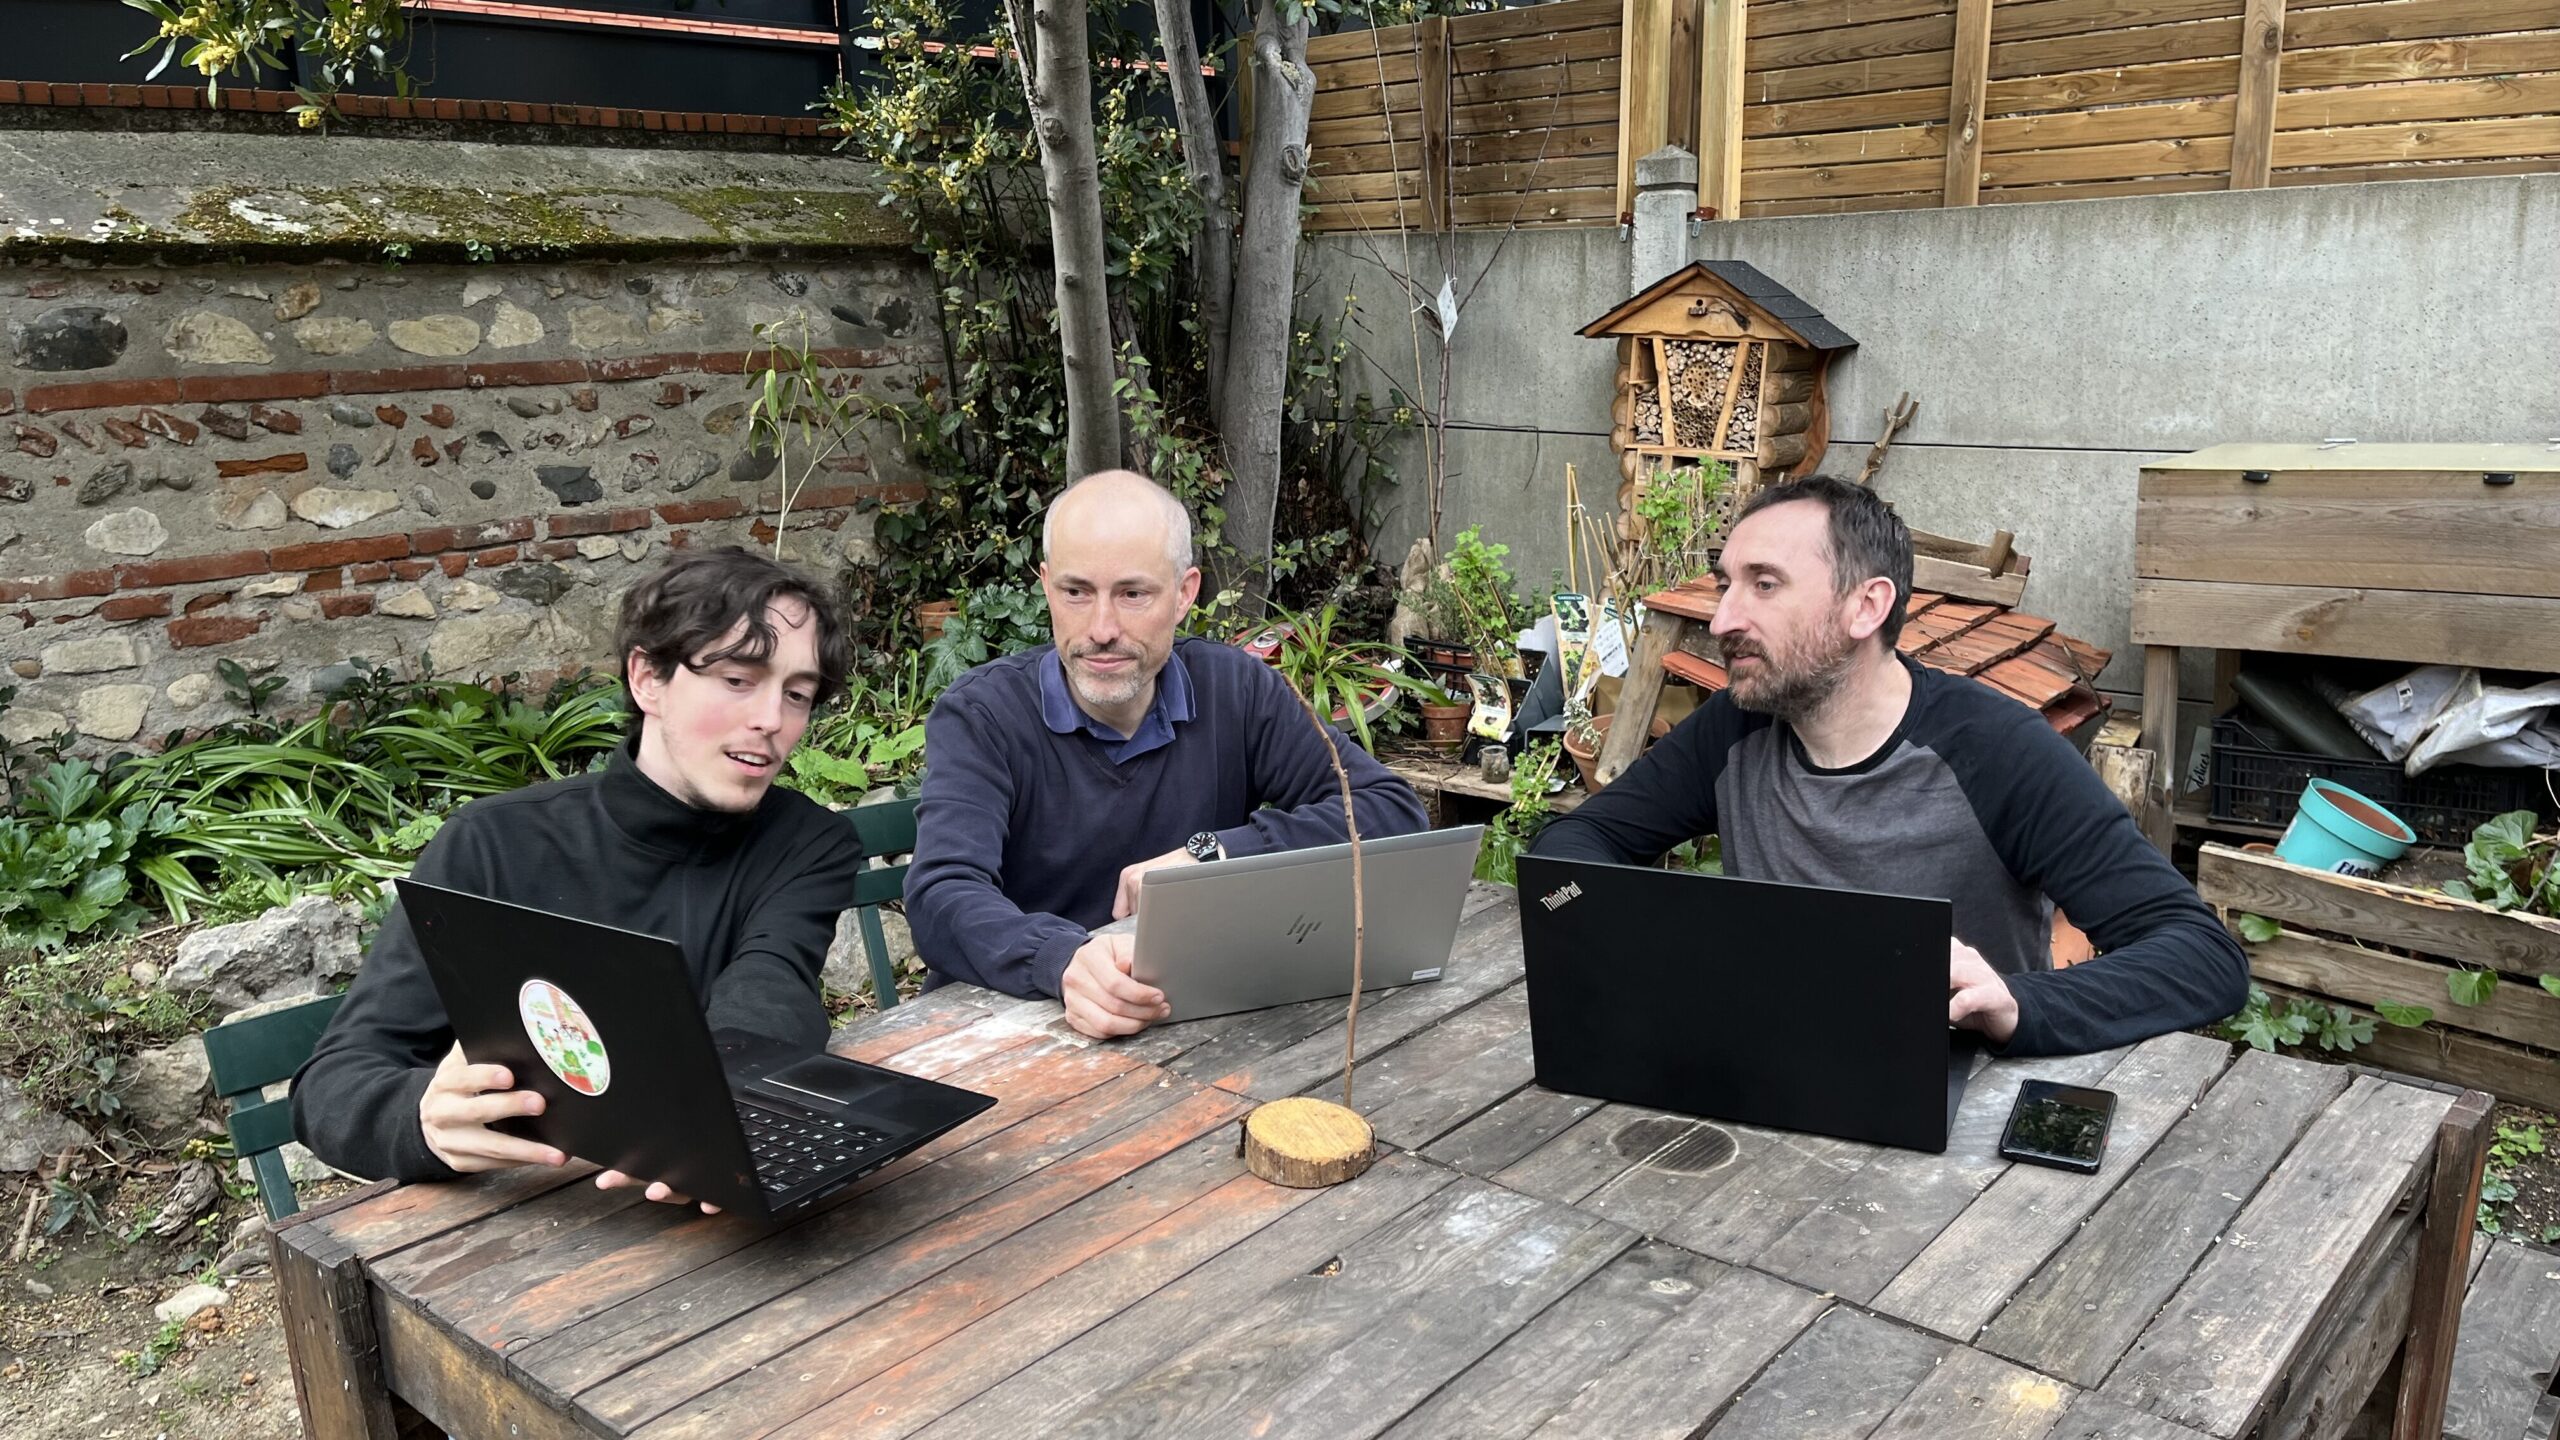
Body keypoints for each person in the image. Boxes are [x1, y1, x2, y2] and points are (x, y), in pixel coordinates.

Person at [1530, 474, 2247, 1056]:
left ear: (1866, 606)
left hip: (1951, 1090)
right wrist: (1658, 941)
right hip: (1769, 1060)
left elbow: (2199, 958)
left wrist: (2018, 1002)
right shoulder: (1735, 729)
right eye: (1727, 585)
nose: (1722, 619)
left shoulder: (1995, 749)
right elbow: (1575, 845)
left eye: (1765, 585)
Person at [292, 546, 865, 1211]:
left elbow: (770, 988)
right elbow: (332, 1086)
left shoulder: (806, 842)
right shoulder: (493, 844)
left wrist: (713, 1116)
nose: (772, 719)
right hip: (521, 1233)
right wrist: (418, 1119)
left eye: (797, 695)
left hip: (725, 1219)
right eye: (739, 679)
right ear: (647, 678)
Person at [905, 469, 1430, 1040]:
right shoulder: (982, 716)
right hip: (1010, 1034)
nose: (1101, 628)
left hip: (1195, 1027)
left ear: (1184, 594)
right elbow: (941, 895)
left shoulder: (1237, 689)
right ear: (1046, 587)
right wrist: (1060, 960)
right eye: (1076, 592)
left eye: (1133, 594)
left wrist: (1214, 853)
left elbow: (1391, 812)